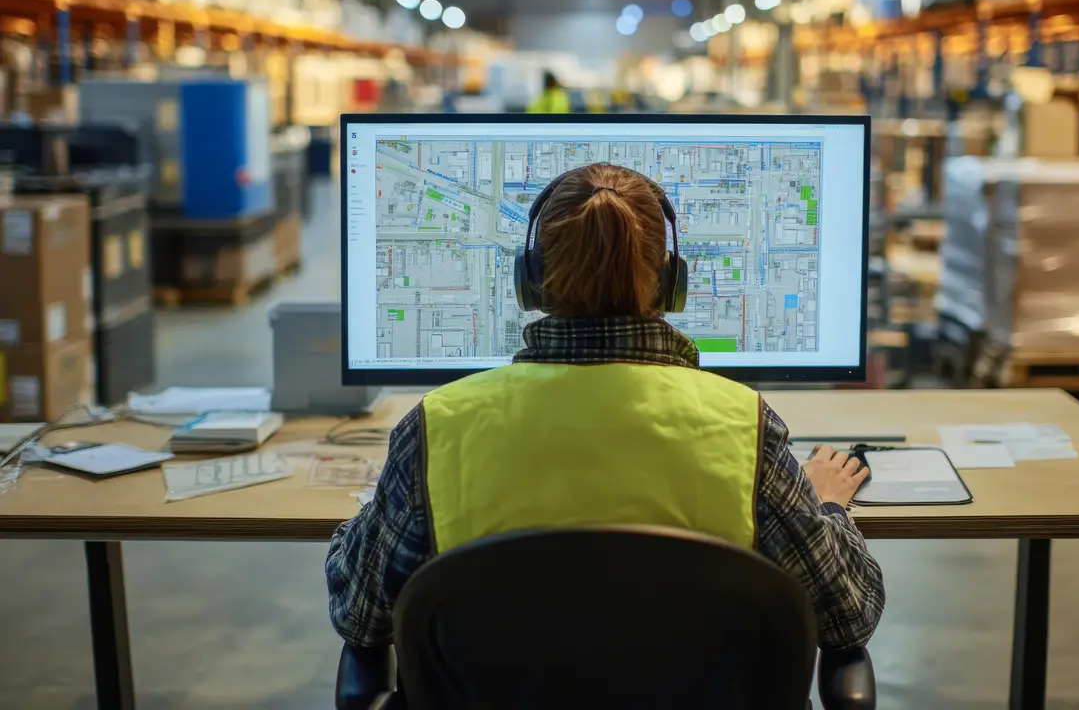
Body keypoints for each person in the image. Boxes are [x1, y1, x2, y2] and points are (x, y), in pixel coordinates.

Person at [326, 163, 885, 653]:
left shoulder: (439, 426)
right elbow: (846, 616)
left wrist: (387, 506)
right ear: (670, 284)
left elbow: (360, 617)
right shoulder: (742, 424)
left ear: (532, 281)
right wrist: (827, 505)